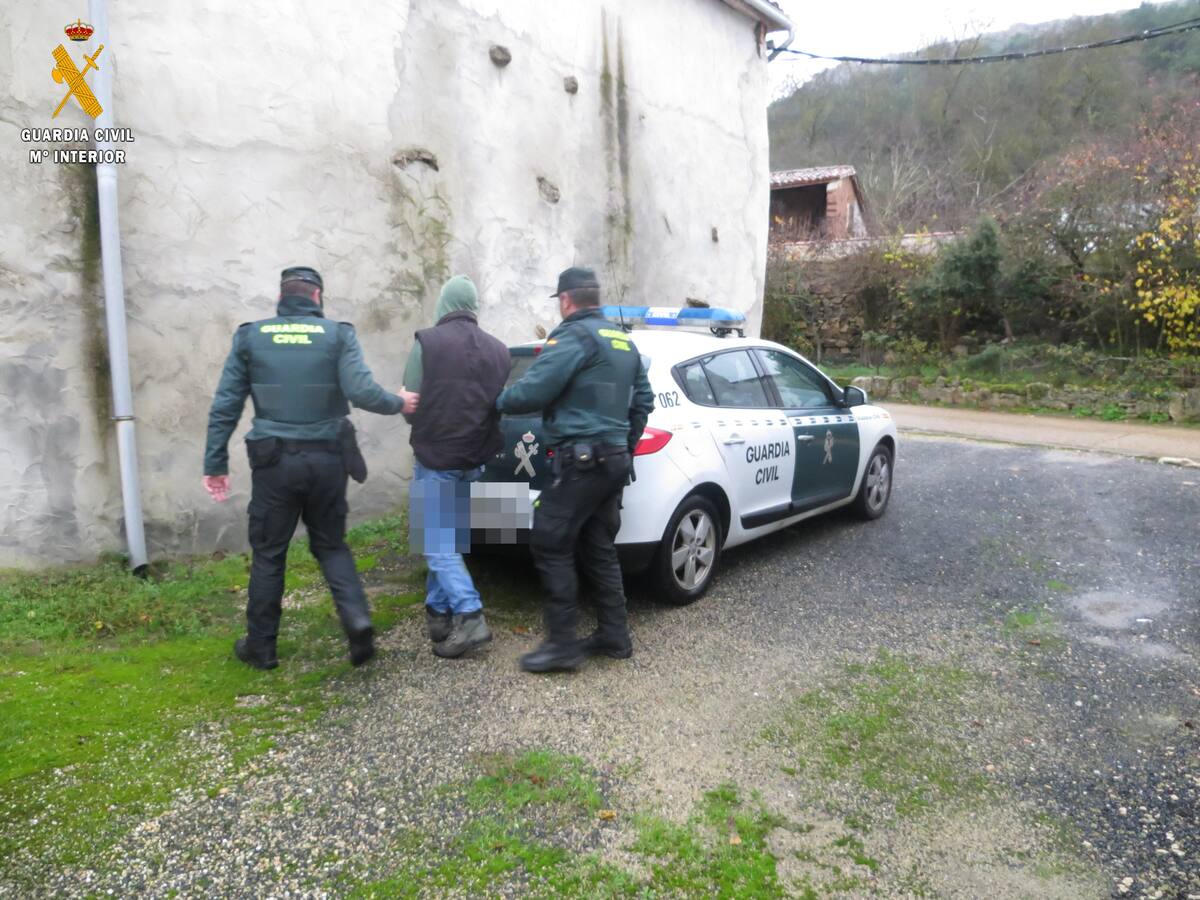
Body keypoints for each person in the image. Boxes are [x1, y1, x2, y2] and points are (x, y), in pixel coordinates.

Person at [203, 266, 418, 670]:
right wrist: (399, 402)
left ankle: (261, 648)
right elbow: (360, 391)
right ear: (318, 297)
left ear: (282, 296)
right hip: (327, 459)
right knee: (331, 544)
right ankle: (356, 621)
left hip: (274, 462)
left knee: (269, 553)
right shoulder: (338, 335)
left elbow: (226, 405)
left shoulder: (251, 336)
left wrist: (215, 462)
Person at [495, 266, 654, 672]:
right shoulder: (625, 343)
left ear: (565, 300)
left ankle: (563, 646)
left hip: (583, 461)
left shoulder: (571, 336)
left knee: (549, 541)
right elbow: (643, 404)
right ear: (594, 299)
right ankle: (614, 636)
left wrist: (496, 401)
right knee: (597, 545)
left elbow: (535, 388)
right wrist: (623, 445)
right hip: (613, 461)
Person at [402, 275, 511, 658]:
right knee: (448, 537)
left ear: (445, 303)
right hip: (474, 460)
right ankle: (438, 612)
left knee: (436, 541)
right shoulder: (500, 351)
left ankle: (470, 614)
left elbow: (410, 404)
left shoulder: (428, 342)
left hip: (437, 456)